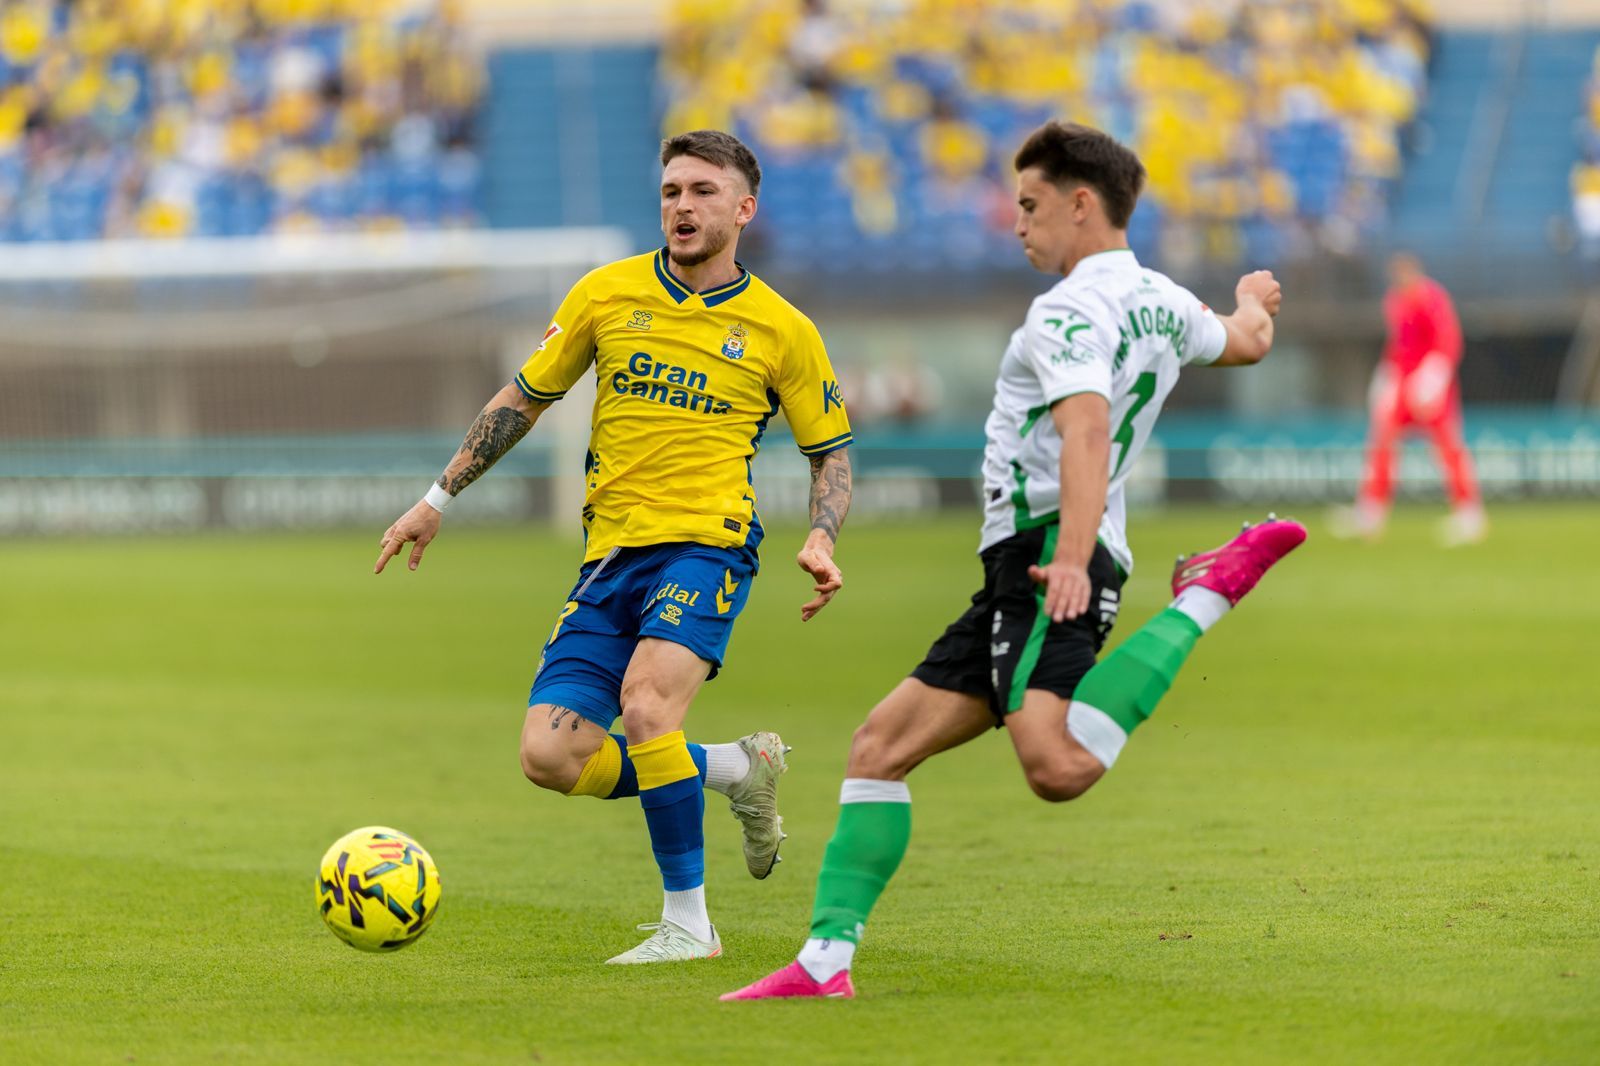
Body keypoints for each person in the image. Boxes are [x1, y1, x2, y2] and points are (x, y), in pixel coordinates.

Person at [721, 120, 1306, 1002]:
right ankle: (824, 965)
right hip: (1019, 566)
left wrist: (1069, 558)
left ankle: (1207, 592)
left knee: (1057, 765)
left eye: (1030, 206)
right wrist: (1253, 296)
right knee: (879, 746)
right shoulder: (1164, 299)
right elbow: (1247, 338)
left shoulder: (1068, 308)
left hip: (1048, 557)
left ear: (1081, 204)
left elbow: (1087, 427)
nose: (1018, 224)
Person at [374, 130, 855, 964]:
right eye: (671, 190)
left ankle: (688, 924)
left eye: (703, 191)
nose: (681, 205)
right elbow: (524, 399)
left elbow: (831, 451)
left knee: (646, 710)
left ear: (743, 209)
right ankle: (736, 769)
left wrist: (820, 533)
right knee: (552, 755)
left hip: (708, 545)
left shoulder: (782, 328)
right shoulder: (607, 292)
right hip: (610, 558)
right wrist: (435, 498)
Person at [1335, 252, 1485, 545]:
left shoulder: (1432, 298)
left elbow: (1448, 340)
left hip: (1430, 384)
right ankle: (1370, 513)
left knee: (1448, 448)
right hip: (1403, 383)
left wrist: (1435, 375)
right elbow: (1397, 344)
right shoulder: (1394, 301)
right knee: (1381, 444)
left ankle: (1469, 514)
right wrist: (1387, 375)